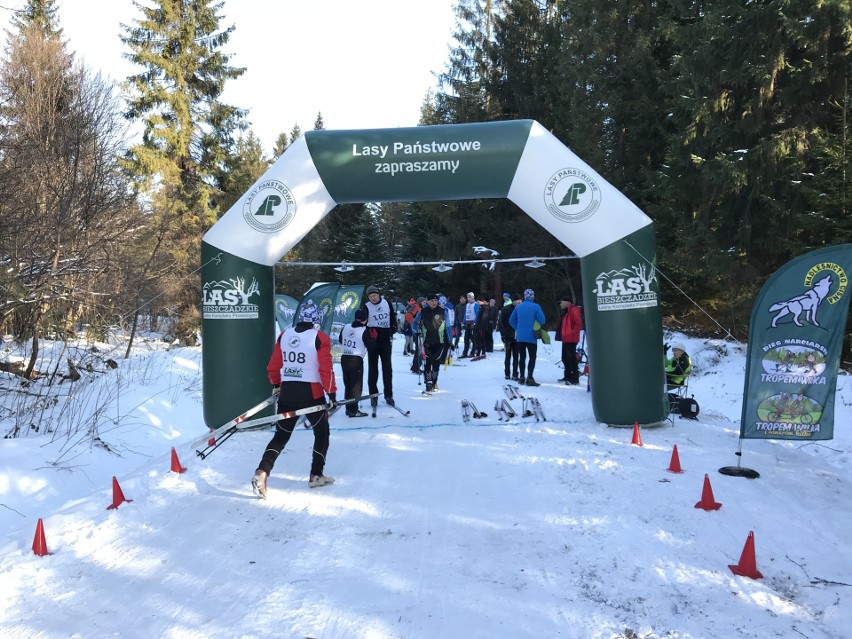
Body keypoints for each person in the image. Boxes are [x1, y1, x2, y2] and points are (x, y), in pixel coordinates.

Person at [252, 304, 337, 499]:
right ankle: (316, 474)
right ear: (316, 319)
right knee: (322, 432)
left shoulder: (285, 335)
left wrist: (276, 383)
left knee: (281, 436)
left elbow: (273, 365)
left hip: (288, 391)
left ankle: (262, 472)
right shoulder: (320, 338)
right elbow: (326, 370)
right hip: (311, 392)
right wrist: (331, 394)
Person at [361, 284, 396, 406]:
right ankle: (373, 395)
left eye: (374, 295)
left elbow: (392, 317)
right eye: (371, 296)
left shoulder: (387, 303)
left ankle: (389, 395)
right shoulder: (366, 306)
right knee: (373, 369)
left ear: (378, 294)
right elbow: (362, 322)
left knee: (387, 369)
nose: (373, 298)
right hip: (373, 340)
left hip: (385, 339)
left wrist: (393, 329)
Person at [413, 293, 451, 394]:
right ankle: (428, 384)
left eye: (435, 301)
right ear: (427, 302)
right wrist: (416, 331)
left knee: (436, 364)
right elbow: (415, 323)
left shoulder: (443, 311)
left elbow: (448, 326)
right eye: (431, 301)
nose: (434, 302)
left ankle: (434, 382)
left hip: (439, 341)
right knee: (427, 363)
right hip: (426, 341)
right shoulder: (423, 311)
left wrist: (450, 339)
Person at [509, 288, 545, 386]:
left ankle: (521, 377)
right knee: (532, 357)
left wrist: (518, 328)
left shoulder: (518, 307)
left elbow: (511, 320)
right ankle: (530, 377)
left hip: (520, 336)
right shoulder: (536, 306)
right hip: (531, 336)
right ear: (533, 297)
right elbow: (542, 320)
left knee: (522, 357)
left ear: (524, 296)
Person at [339, 308, 370, 417]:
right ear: (366, 319)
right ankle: (354, 410)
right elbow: (370, 345)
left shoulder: (346, 327)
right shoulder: (364, 330)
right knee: (356, 386)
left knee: (348, 385)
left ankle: (349, 408)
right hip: (356, 359)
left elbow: (340, 340)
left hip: (344, 357)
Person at [555, 296, 583, 385]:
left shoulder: (574, 310)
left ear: (567, 302)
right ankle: (567, 376)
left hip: (571, 339)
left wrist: (570, 333)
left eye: (561, 302)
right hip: (565, 338)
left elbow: (578, 324)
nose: (560, 304)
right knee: (565, 358)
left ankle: (574, 378)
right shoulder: (565, 311)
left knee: (571, 358)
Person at [498, 293, 520, 381]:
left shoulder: (520, 309)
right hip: (508, 335)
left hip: (517, 336)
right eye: (518, 302)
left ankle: (515, 373)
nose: (519, 303)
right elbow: (501, 322)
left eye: (520, 302)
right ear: (514, 301)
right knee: (508, 355)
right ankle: (507, 373)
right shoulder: (506, 309)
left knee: (516, 356)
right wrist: (503, 334)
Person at [459, 292, 480, 358]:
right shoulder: (467, 305)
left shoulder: (476, 304)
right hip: (468, 323)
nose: (469, 298)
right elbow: (466, 314)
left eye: (470, 297)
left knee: (473, 339)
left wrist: (475, 322)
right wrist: (463, 322)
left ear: (473, 297)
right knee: (466, 339)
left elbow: (478, 314)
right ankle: (465, 353)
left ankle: (473, 352)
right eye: (468, 297)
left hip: (473, 324)